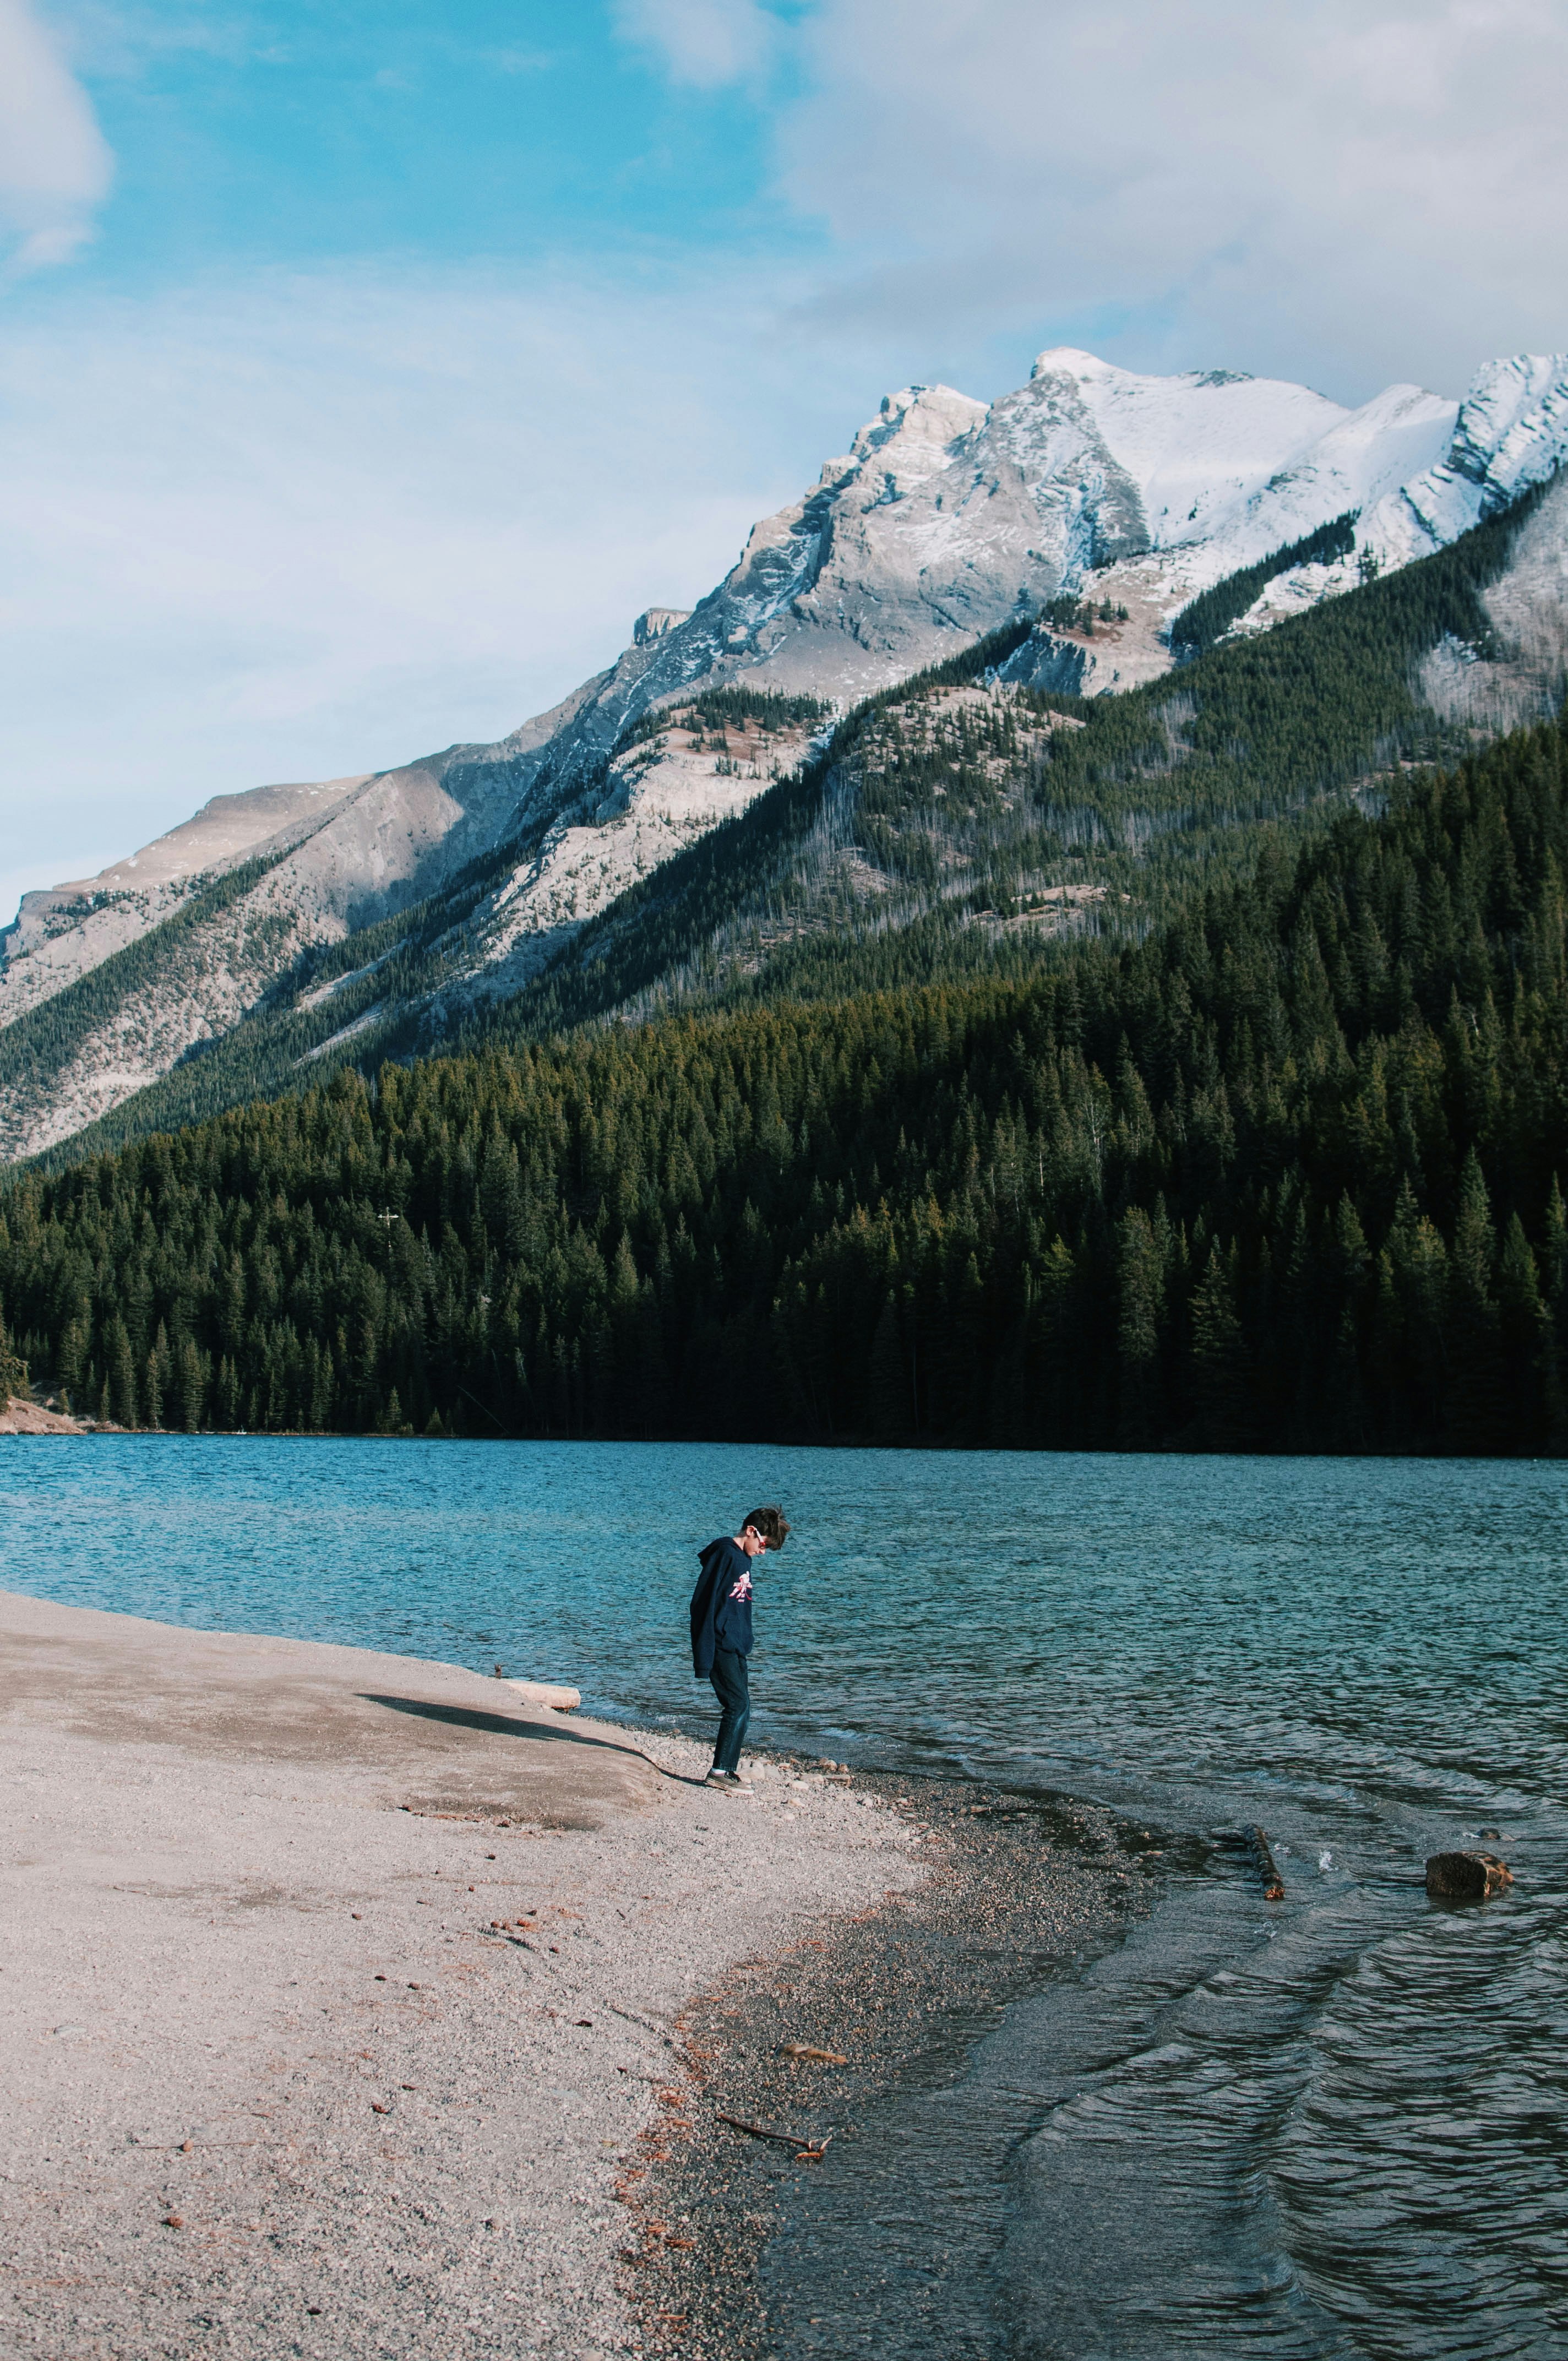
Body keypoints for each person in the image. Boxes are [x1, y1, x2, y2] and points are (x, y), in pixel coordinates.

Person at [689, 1506, 790, 1791]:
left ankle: (727, 1769)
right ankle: (719, 1773)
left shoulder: (743, 1559)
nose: (763, 1551)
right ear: (750, 1532)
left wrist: (746, 1640)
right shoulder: (724, 1555)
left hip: (736, 1645)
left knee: (744, 1705)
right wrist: (704, 1653)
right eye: (764, 1543)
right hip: (721, 1644)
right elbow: (702, 1605)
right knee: (737, 1704)